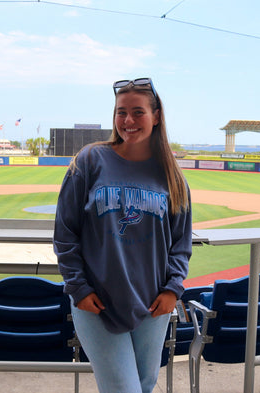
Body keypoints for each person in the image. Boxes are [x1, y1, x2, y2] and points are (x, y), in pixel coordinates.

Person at [53, 77, 192, 393]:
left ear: (156, 116)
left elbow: (180, 243)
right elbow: (65, 232)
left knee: (144, 386)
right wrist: (78, 287)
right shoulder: (90, 160)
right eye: (121, 112)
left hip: (153, 303)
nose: (128, 121)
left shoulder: (171, 174)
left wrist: (173, 289)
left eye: (138, 112)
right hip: (96, 301)